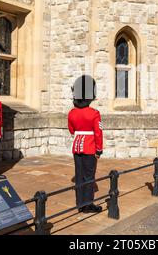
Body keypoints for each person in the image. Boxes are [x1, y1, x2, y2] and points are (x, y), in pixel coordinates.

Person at [68, 75, 104, 214]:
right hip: (89, 147)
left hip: (77, 146)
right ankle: (88, 205)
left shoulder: (72, 113)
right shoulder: (94, 113)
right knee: (89, 176)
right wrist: (99, 149)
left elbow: (71, 130)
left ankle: (80, 204)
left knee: (79, 175)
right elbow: (98, 133)